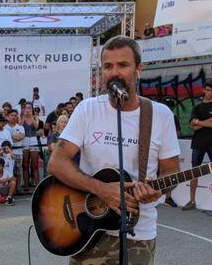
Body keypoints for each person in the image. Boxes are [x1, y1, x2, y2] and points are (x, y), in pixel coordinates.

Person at [48, 35, 180, 265]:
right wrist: (101, 189)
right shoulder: (87, 109)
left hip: (137, 234)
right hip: (88, 231)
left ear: (139, 69)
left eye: (123, 65)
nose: (114, 73)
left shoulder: (160, 115)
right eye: (108, 66)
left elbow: (171, 171)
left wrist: (158, 190)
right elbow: (56, 163)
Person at [182, 81, 212, 210]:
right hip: (198, 144)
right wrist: (207, 121)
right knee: (194, 172)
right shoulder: (197, 107)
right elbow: (193, 127)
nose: (209, 93)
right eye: (207, 90)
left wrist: (199, 122)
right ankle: (192, 201)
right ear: (203, 90)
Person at [5, 109, 25, 194]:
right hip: (8, 154)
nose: (14, 117)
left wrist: (10, 136)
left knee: (18, 172)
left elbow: (20, 137)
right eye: (12, 115)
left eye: (15, 115)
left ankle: (18, 189)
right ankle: (10, 190)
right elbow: (6, 140)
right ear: (7, 117)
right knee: (9, 172)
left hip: (18, 152)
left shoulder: (20, 127)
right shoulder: (5, 128)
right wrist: (14, 137)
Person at [21, 103, 40, 191]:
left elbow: (36, 126)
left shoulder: (35, 117)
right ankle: (26, 185)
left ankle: (37, 185)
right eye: (26, 108)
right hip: (24, 140)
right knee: (25, 164)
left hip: (33, 140)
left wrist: (31, 116)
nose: (28, 110)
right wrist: (24, 116)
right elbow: (20, 126)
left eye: (29, 108)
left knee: (35, 165)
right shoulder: (21, 117)